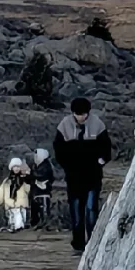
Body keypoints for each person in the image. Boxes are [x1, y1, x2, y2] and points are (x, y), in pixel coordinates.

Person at [54, 97, 112, 252]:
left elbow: (106, 146)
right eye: (78, 114)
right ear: (73, 113)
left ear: (88, 113)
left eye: (83, 114)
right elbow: (58, 149)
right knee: (76, 211)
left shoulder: (97, 124)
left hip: (93, 175)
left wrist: (102, 160)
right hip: (73, 176)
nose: (81, 117)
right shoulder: (64, 125)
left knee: (91, 209)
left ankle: (93, 242)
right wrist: (67, 165)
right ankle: (78, 244)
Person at [0, 157, 31, 231]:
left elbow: (28, 190)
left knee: (19, 223)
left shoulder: (24, 179)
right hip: (10, 204)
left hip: (21, 205)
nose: (16, 168)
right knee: (12, 222)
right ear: (11, 168)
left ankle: (20, 231)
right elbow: (1, 192)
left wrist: (27, 178)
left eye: (18, 166)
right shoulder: (7, 181)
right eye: (14, 167)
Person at [30, 147, 55, 227]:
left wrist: (31, 173)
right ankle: (36, 223)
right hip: (36, 191)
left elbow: (40, 175)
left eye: (36, 156)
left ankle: (45, 224)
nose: (35, 157)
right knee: (35, 208)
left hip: (43, 190)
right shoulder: (36, 165)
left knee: (43, 208)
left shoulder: (46, 165)